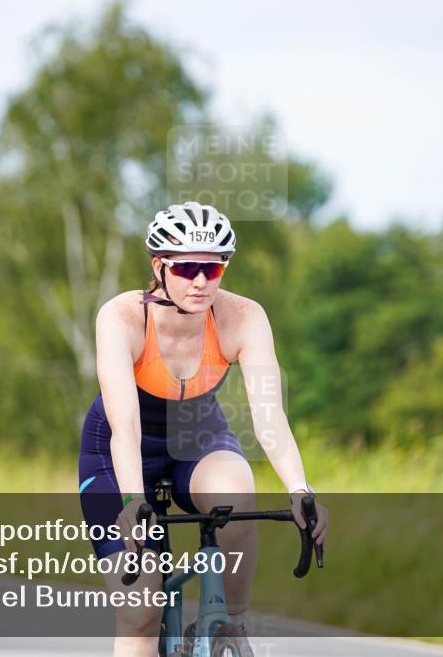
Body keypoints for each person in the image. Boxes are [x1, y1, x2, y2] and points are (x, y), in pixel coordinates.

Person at [78, 201, 329, 656]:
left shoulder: (244, 317)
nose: (200, 282)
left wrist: (299, 488)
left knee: (237, 493)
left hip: (198, 436)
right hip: (120, 452)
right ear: (159, 266)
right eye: (187, 268)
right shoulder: (121, 318)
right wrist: (133, 502)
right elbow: (125, 426)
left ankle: (230, 625)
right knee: (141, 612)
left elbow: (269, 415)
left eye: (212, 269)